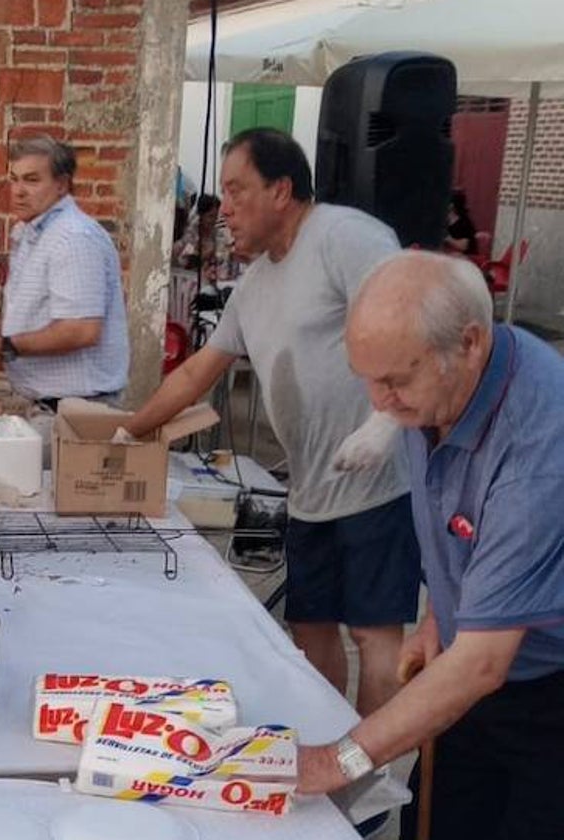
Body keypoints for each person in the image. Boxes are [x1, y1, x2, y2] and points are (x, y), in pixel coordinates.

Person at [120, 128, 419, 718]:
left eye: (237, 190)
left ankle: (373, 781)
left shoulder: (344, 236)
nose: (223, 208)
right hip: (310, 490)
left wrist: (387, 422)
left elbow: (416, 313)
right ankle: (332, 758)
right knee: (309, 635)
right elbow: (193, 376)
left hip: (379, 481)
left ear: (282, 190)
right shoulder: (253, 284)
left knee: (375, 639)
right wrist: (124, 433)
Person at [299, 250, 564, 840]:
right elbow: (461, 523)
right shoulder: (439, 383)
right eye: (367, 378)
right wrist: (441, 614)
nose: (380, 403)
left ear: (469, 344)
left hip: (546, 692)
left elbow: (481, 665)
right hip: (478, 668)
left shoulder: (537, 446)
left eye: (394, 381)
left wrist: (338, 760)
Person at [0, 135, 129, 451]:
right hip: (52, 410)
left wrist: (3, 346)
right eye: (14, 179)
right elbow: (45, 318)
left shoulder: (72, 238)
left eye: (32, 180)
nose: (19, 191)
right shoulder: (32, 232)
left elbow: (80, 330)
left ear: (62, 185)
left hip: (76, 414)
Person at [443, 189, 478, 256]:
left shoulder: (464, 222)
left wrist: (448, 238)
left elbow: (464, 246)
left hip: (466, 256)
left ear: (451, 205)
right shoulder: (445, 221)